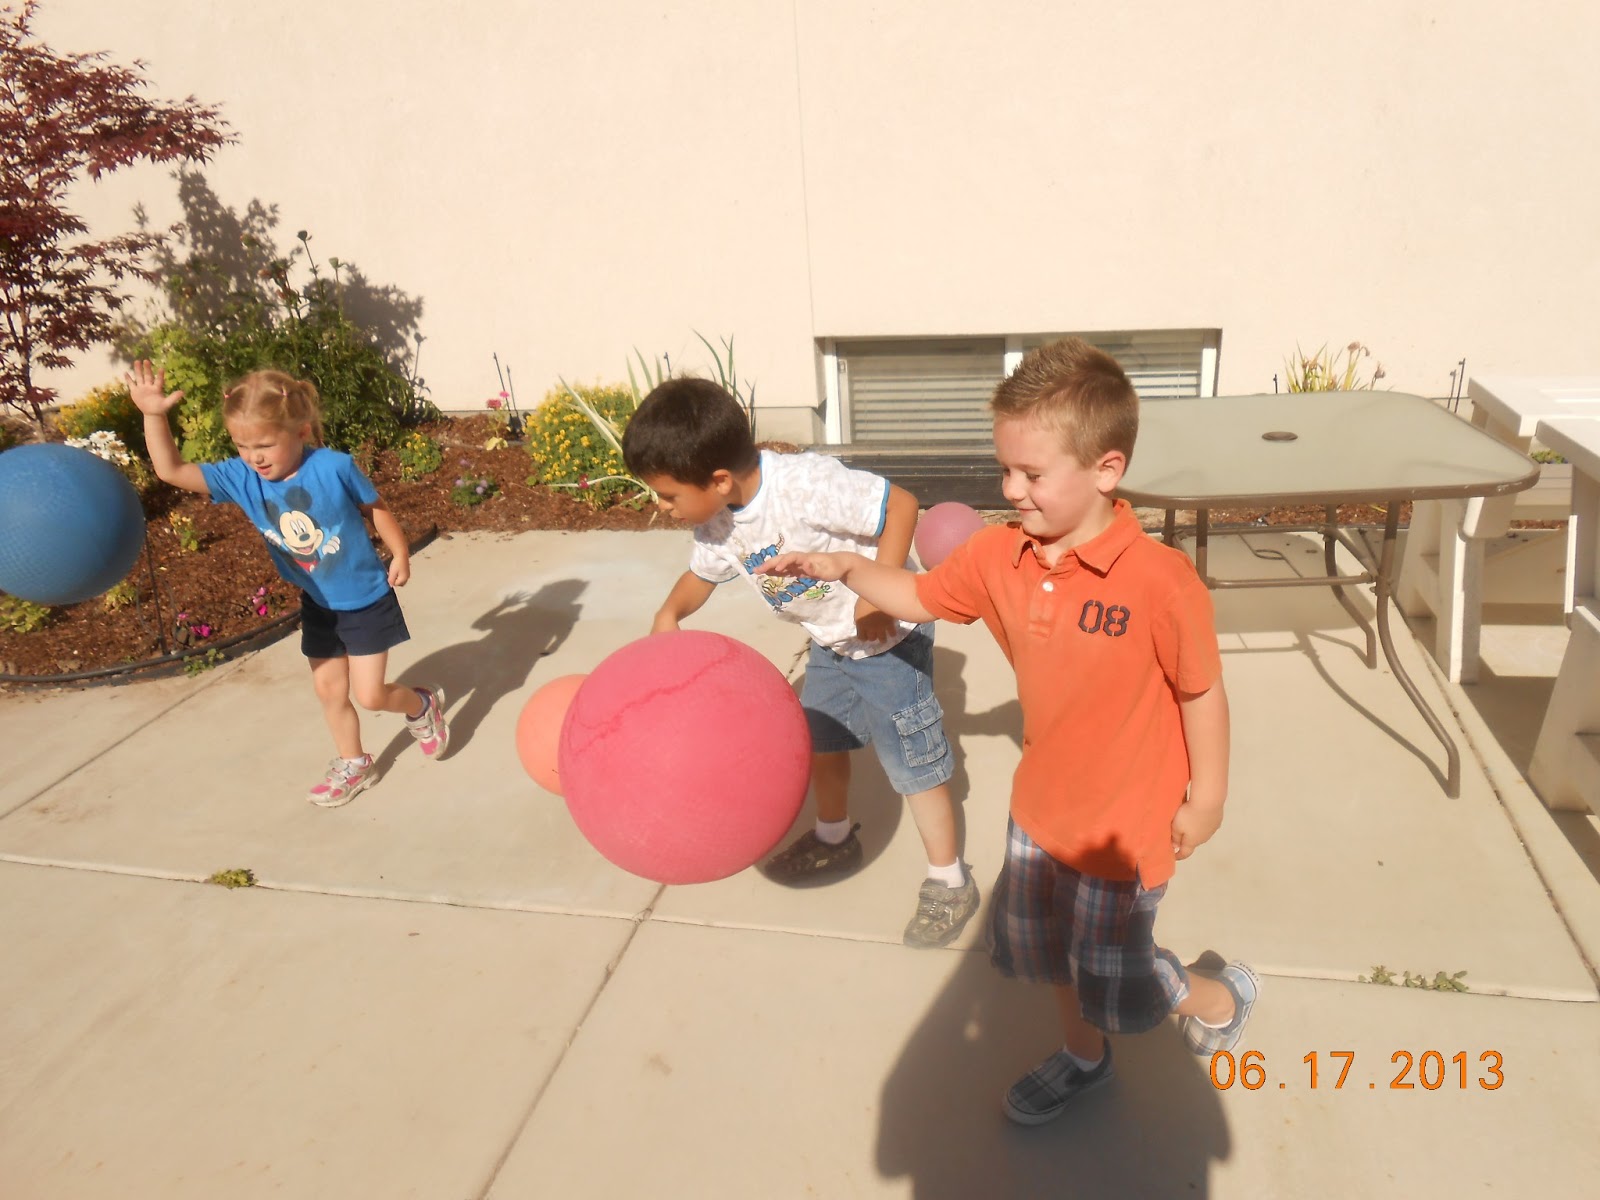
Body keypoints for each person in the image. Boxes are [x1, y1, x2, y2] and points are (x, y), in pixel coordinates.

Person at [753, 338, 1256, 1125]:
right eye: (1006, 469)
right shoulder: (999, 558)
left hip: (1125, 831)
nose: (1009, 489)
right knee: (1058, 957)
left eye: (1031, 474)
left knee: (1118, 974)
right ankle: (1084, 1058)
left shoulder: (1162, 582)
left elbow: (1202, 692)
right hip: (1041, 815)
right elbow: (918, 598)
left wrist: (1211, 797)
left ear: (1106, 471)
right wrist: (845, 568)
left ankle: (1221, 997)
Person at [621, 376, 978, 948]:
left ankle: (949, 878)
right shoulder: (714, 521)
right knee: (822, 741)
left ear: (717, 479)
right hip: (829, 640)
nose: (661, 508)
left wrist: (873, 594)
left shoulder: (805, 484)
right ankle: (835, 836)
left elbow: (900, 506)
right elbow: (701, 576)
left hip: (887, 641)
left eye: (667, 496)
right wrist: (670, 614)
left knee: (913, 763)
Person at [126, 360, 449, 806]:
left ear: (298, 431)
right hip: (318, 602)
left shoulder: (334, 467)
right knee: (328, 690)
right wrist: (153, 414)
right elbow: (170, 470)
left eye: (263, 444)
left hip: (365, 600)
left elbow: (375, 507)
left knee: (371, 694)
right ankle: (353, 762)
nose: (254, 456)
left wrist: (400, 551)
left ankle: (419, 705)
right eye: (242, 445)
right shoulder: (240, 478)